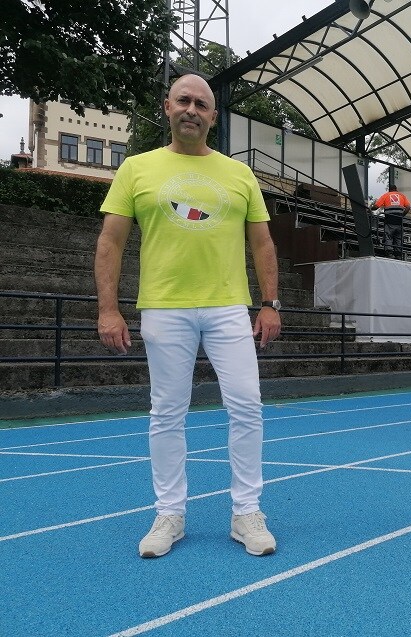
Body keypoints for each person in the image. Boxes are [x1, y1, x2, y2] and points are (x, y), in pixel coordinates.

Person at [94, 74, 282, 559]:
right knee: (166, 413)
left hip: (227, 307)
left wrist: (270, 302)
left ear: (213, 117)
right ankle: (170, 514)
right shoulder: (136, 169)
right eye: (184, 100)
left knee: (246, 405)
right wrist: (108, 308)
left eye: (202, 103)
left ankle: (246, 513)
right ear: (167, 107)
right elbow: (111, 242)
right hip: (164, 305)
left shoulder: (239, 175)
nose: (192, 109)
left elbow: (262, 242)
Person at [370, 182, 411, 259]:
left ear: (390, 190)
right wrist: (402, 215)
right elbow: (408, 207)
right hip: (399, 221)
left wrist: (369, 208)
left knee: (388, 236)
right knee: (398, 238)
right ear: (396, 189)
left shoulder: (386, 195)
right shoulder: (402, 196)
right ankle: (398, 254)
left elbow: (376, 206)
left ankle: (389, 253)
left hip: (389, 220)